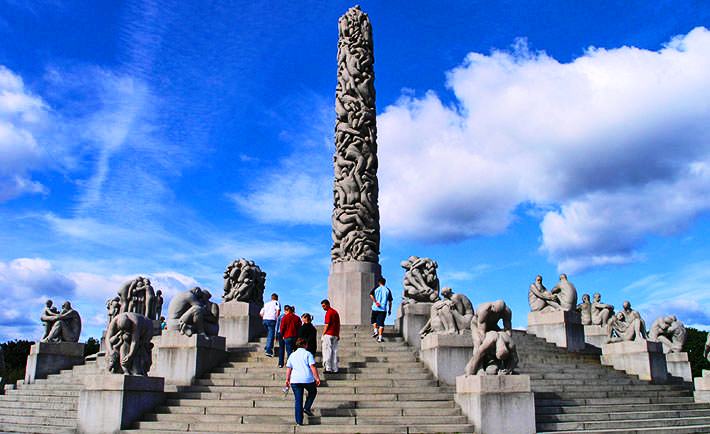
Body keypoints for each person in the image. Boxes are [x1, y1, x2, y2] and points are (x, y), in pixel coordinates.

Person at [285, 338, 321, 426]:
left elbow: (289, 368)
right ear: (305, 345)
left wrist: (287, 379)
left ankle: (299, 421)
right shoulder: (308, 354)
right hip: (307, 379)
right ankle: (307, 407)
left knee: (298, 400)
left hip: (295, 380)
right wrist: (317, 378)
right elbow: (312, 367)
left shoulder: (292, 355)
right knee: (313, 391)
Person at [369, 277, 392, 342]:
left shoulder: (376, 288)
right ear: (384, 283)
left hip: (375, 308)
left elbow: (371, 295)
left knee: (373, 320)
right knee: (381, 324)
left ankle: (375, 331)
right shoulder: (387, 290)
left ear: (379, 282)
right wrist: (390, 310)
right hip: (383, 309)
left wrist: (375, 302)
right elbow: (390, 301)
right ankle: (380, 338)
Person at [321, 299, 340, 373]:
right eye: (322, 306)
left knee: (327, 351)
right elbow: (338, 325)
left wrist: (323, 334)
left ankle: (328, 368)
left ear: (328, 304)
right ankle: (335, 368)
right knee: (334, 352)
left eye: (324, 306)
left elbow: (327, 325)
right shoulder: (335, 312)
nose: (323, 307)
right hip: (335, 334)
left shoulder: (329, 312)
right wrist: (338, 334)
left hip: (328, 334)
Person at [260, 293, 280, 357]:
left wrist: (265, 317)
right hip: (271, 319)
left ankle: (267, 346)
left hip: (265, 320)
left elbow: (261, 313)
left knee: (269, 334)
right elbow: (278, 310)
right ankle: (268, 350)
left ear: (271, 298)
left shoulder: (266, 303)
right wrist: (276, 317)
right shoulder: (276, 302)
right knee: (271, 335)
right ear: (276, 298)